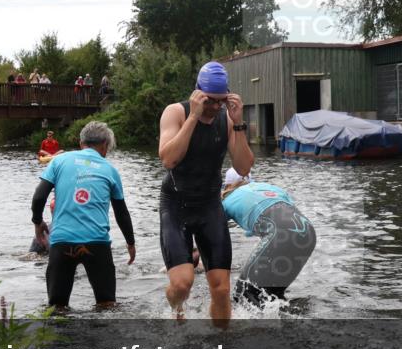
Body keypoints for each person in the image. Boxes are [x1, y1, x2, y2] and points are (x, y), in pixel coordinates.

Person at [158, 61, 254, 323]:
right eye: (209, 100)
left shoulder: (226, 119)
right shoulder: (175, 113)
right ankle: (176, 311)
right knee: (182, 285)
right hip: (176, 205)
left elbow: (243, 167)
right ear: (197, 93)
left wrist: (238, 123)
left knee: (221, 289)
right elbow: (168, 159)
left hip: (210, 205)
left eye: (220, 101)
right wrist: (192, 117)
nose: (214, 107)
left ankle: (222, 347)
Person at [30, 121, 135, 310]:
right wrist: (130, 243)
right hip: (97, 243)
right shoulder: (110, 170)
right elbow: (121, 212)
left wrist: (38, 222)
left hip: (62, 242)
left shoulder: (59, 161)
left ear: (81, 144)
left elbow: (38, 197)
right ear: (105, 146)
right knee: (107, 306)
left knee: (56, 308)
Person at [221, 168, 315, 305]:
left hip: (281, 235)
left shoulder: (227, 201)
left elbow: (213, 237)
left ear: (227, 186)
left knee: (243, 296)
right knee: (272, 296)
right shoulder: (270, 188)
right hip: (308, 234)